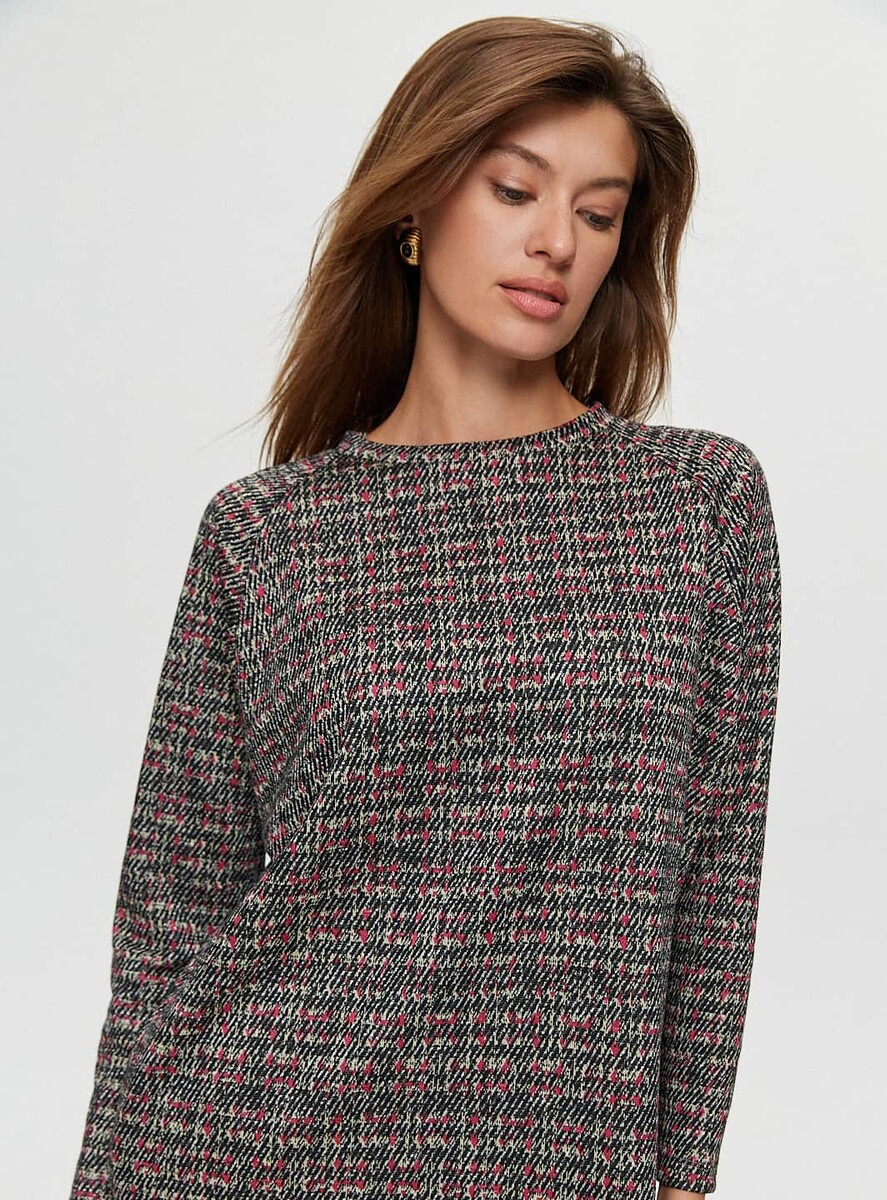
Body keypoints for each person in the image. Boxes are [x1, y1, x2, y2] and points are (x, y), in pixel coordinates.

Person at [69, 16, 782, 1200]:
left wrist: (682, 1171)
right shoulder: (268, 534)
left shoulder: (697, 503)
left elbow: (716, 874)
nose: (556, 242)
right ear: (414, 205)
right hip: (251, 1148)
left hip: (567, 1154)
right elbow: (170, 926)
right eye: (515, 190)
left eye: (599, 214)